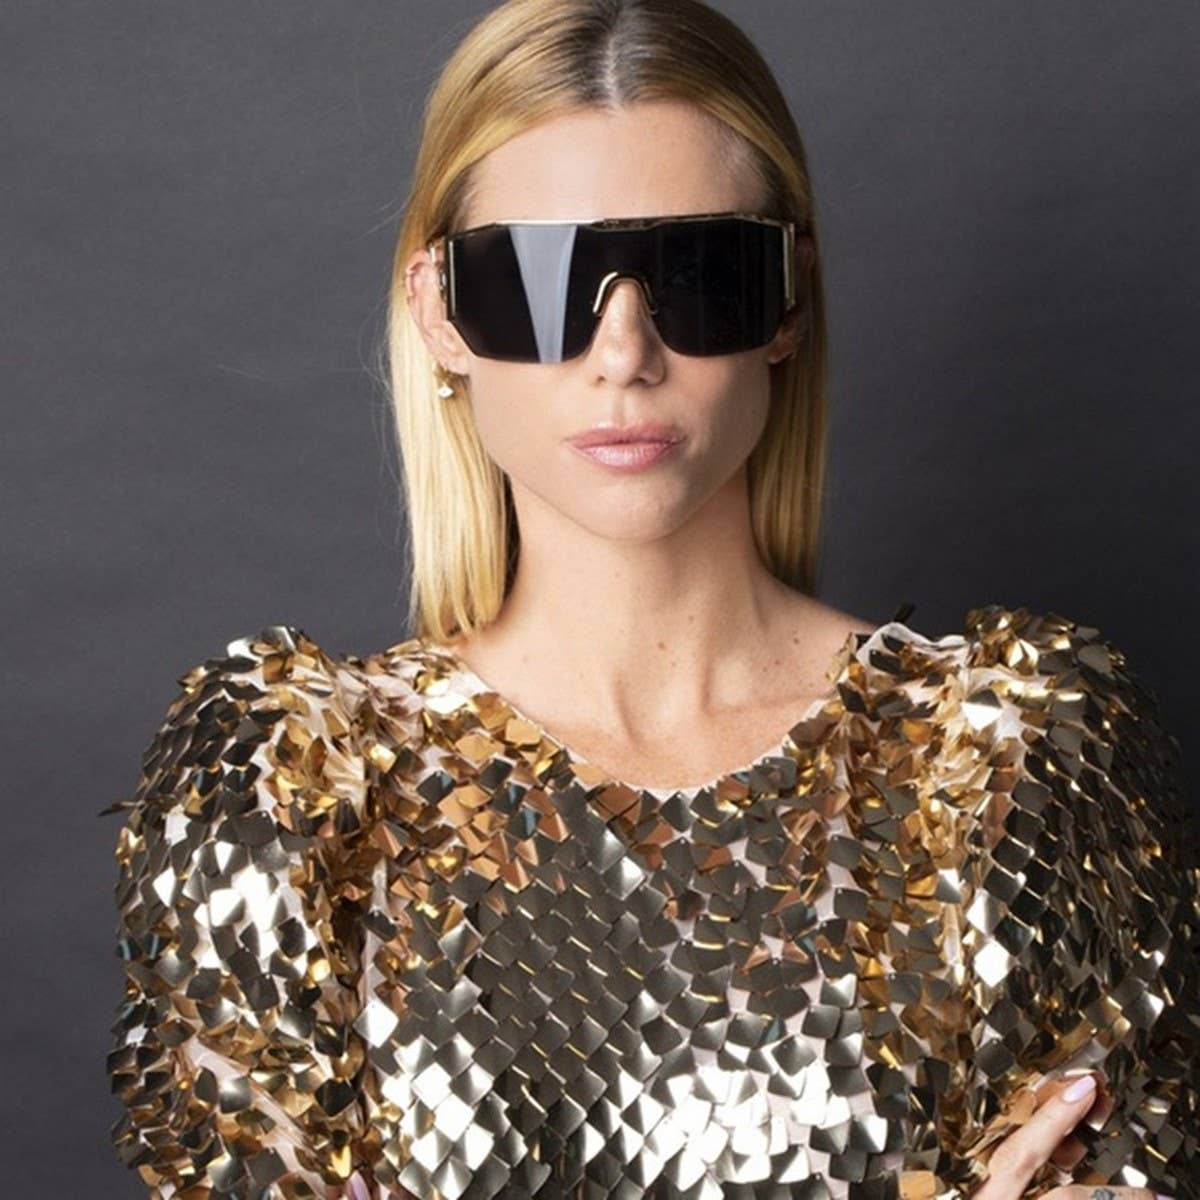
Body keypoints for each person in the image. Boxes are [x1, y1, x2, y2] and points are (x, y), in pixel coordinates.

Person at [99, 2, 1199, 1197]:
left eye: (699, 276)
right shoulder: (292, 796)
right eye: (538, 280)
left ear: (787, 302)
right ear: (438, 313)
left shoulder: (1014, 769)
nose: (623, 353)